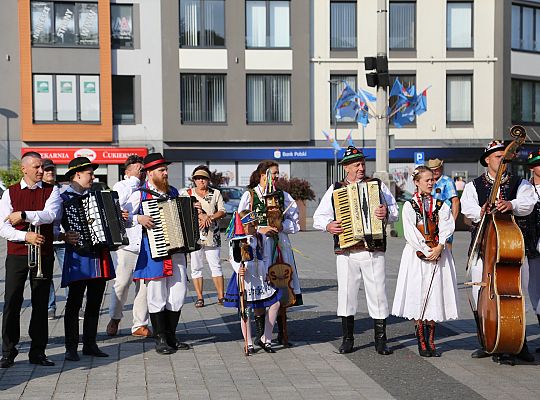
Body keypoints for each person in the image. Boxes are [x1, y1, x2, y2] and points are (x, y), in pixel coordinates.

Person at [313, 146, 398, 355]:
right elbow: (318, 217)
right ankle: (347, 339)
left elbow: (394, 210)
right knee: (347, 293)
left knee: (378, 292)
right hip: (347, 251)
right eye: (356, 164)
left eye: (362, 163)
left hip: (373, 249)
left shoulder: (376, 185)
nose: (361, 168)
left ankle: (381, 339)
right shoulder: (336, 189)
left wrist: (385, 212)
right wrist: (328, 225)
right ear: (346, 168)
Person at [461, 140, 535, 364]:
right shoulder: (474, 185)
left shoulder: (519, 183)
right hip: (483, 247)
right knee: (480, 294)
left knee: (516, 295)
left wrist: (511, 205)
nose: (502, 160)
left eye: (505, 157)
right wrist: (480, 210)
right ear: (487, 160)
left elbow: (528, 202)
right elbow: (467, 208)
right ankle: (487, 339)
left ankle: (518, 341)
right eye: (497, 157)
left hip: (510, 249)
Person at [0, 152, 62, 368]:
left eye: (42, 167)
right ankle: (8, 351)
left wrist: (24, 215)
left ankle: (38, 351)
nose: (40, 171)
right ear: (24, 169)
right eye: (36, 167)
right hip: (17, 254)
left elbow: (50, 214)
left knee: (40, 302)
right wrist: (25, 236)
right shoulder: (10, 193)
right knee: (12, 302)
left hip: (42, 254)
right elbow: (3, 227)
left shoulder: (51, 191)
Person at [126, 153, 191, 354]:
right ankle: (160, 338)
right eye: (161, 170)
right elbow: (122, 215)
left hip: (177, 250)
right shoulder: (139, 193)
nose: (165, 173)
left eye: (165, 170)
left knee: (178, 293)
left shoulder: (173, 192)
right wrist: (139, 219)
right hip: (154, 250)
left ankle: (171, 335)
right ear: (150, 173)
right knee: (156, 294)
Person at [392, 166, 459, 357]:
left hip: (438, 252)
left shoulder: (440, 204)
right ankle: (421, 340)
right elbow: (410, 231)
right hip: (417, 255)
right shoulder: (409, 205)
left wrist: (439, 247)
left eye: (432, 180)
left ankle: (431, 339)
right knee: (420, 294)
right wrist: (424, 249)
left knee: (435, 292)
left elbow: (448, 225)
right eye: (427, 180)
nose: (431, 183)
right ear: (416, 182)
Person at [237, 160, 301, 348]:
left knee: (281, 286)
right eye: (274, 173)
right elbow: (242, 222)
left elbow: (294, 223)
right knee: (259, 289)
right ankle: (260, 334)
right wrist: (260, 228)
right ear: (263, 176)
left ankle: (280, 333)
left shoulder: (283, 196)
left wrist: (281, 226)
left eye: (278, 173)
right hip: (257, 247)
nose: (277, 177)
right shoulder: (249, 196)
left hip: (279, 245)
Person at [58, 157, 116, 361]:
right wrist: (63, 236)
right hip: (77, 256)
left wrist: (119, 217)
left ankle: (90, 344)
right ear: (77, 174)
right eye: (90, 173)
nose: (94, 177)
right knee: (74, 303)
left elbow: (111, 222)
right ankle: (71, 347)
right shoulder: (62, 198)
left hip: (98, 256)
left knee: (94, 302)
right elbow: (55, 227)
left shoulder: (98, 196)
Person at [106, 155, 152, 338]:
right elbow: (115, 207)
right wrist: (134, 182)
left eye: (143, 168)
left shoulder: (149, 188)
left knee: (144, 285)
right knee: (122, 283)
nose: (141, 172)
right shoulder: (122, 186)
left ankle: (139, 324)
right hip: (128, 243)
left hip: (147, 243)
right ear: (127, 172)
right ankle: (115, 318)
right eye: (138, 168)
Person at [224, 210, 281, 354]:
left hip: (260, 275)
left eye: (256, 225)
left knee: (275, 303)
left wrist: (267, 271)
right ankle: (248, 342)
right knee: (245, 309)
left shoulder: (261, 238)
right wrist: (239, 269)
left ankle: (266, 338)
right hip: (246, 277)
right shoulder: (236, 240)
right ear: (243, 226)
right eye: (251, 225)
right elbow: (232, 258)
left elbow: (266, 256)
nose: (255, 228)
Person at [181, 165, 226, 308]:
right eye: (198, 178)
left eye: (204, 178)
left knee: (215, 265)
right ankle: (200, 297)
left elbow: (222, 211)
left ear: (208, 180)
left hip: (212, 233)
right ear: (194, 180)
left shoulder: (216, 193)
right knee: (196, 267)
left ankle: (221, 296)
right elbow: (183, 211)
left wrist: (210, 217)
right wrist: (200, 216)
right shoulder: (187, 193)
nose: (201, 181)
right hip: (194, 234)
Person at [516, 149, 540, 353]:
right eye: (539, 163)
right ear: (532, 167)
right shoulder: (525, 189)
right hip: (531, 246)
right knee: (534, 294)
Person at [41, 158, 66, 321]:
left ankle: (75, 306)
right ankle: (50, 307)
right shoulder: (38, 191)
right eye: (47, 170)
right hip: (45, 239)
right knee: (46, 276)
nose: (50, 172)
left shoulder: (63, 190)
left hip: (63, 240)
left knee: (69, 274)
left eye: (52, 169)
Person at [426, 158, 460, 251]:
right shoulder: (429, 182)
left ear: (441, 168)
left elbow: (455, 201)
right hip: (431, 220)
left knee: (446, 248)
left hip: (444, 218)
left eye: (437, 169)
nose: (434, 171)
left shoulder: (447, 181)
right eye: (432, 170)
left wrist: (452, 221)